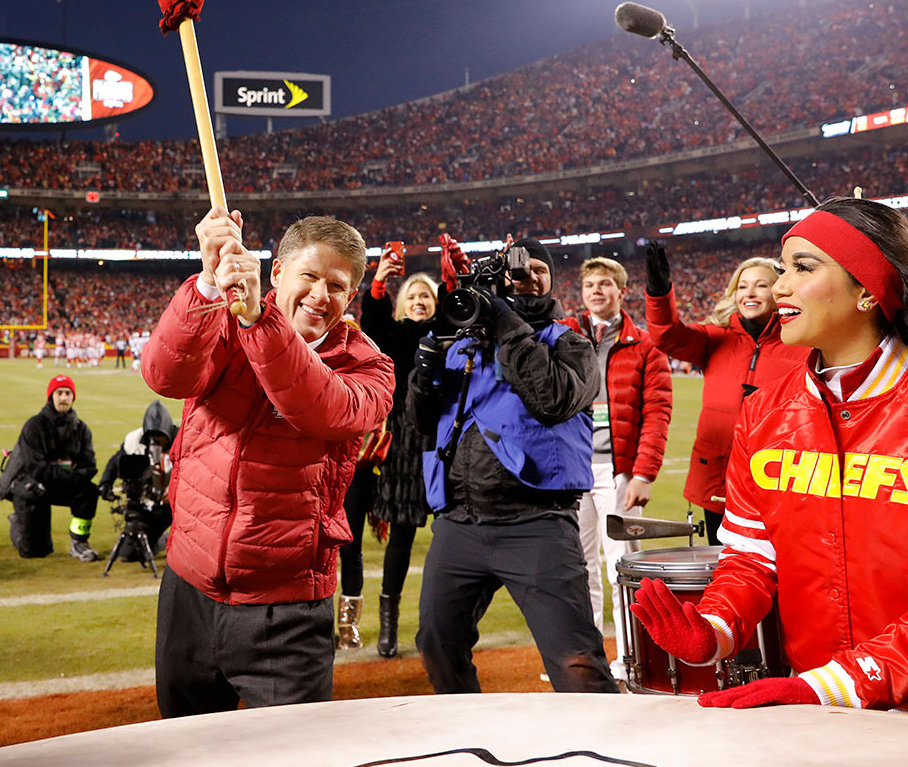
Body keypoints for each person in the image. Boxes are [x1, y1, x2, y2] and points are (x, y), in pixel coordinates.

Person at [630, 198, 908, 718]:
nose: (779, 287)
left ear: (867, 289)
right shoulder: (763, 413)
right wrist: (714, 627)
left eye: (803, 267)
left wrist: (834, 685)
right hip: (822, 711)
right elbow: (751, 559)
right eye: (783, 269)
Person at [142, 211, 394, 717]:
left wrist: (261, 322)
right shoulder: (221, 326)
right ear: (276, 272)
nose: (321, 295)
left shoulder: (370, 367)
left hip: (288, 609)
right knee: (184, 759)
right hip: (189, 588)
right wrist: (209, 283)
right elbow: (164, 375)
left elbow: (315, 406)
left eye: (337, 285)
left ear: (352, 296)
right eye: (309, 276)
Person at [409, 237, 617, 695]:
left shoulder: (572, 344)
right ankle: (472, 741)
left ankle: (605, 758)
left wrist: (507, 323)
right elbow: (423, 422)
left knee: (577, 662)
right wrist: (423, 376)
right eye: (521, 270)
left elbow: (553, 399)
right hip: (459, 522)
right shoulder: (461, 345)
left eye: (539, 269)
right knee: (437, 645)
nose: (529, 277)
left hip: (537, 524)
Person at [643, 245, 809, 542]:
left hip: (776, 477)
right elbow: (666, 334)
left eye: (761, 285)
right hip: (717, 479)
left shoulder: (803, 342)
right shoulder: (714, 338)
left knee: (778, 573)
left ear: (780, 291)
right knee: (723, 569)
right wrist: (659, 292)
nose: (750, 293)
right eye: (742, 286)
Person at [563, 257, 672, 673]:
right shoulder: (565, 336)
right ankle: (586, 661)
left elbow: (657, 412)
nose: (596, 290)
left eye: (605, 283)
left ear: (621, 291)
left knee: (622, 566)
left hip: (619, 469)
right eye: (589, 283)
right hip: (571, 469)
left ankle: (631, 659)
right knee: (579, 569)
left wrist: (644, 473)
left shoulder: (645, 345)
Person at [356, 253, 442, 657]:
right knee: (402, 536)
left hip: (445, 443)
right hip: (406, 445)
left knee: (450, 537)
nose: (420, 300)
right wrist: (378, 282)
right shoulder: (395, 334)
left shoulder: (448, 334)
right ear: (402, 302)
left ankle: (442, 625)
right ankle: (388, 626)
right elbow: (372, 323)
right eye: (413, 295)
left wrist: (454, 279)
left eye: (427, 295)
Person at [0, 374, 102, 560]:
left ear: (73, 397)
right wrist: (72, 476)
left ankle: (79, 542)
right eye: (59, 392)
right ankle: (17, 523)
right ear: (51, 396)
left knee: (89, 491)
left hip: (60, 482)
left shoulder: (81, 429)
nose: (63, 397)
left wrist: (71, 478)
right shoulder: (34, 426)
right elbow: (35, 468)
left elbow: (90, 466)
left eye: (68, 393)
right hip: (32, 485)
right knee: (35, 551)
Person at [98, 401, 178, 556]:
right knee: (129, 554)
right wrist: (105, 483)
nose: (157, 444)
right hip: (145, 501)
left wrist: (175, 490)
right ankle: (160, 540)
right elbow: (116, 463)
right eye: (153, 439)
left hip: (176, 502)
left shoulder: (184, 440)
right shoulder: (133, 440)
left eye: (161, 439)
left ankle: (182, 541)